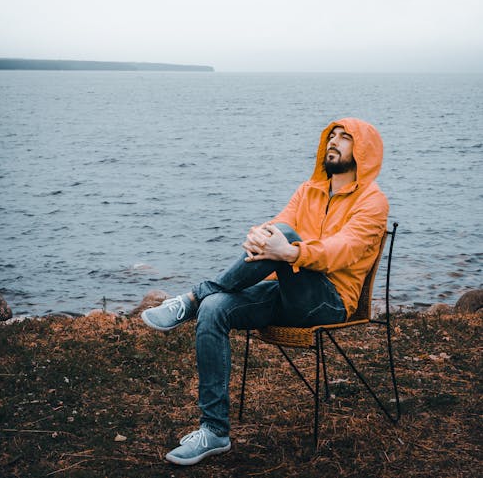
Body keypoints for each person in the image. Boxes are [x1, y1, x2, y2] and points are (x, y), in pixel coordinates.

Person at [141, 117, 389, 466]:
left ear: (363, 150)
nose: (334, 142)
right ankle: (214, 430)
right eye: (331, 136)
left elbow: (342, 249)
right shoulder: (309, 190)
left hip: (328, 302)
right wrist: (260, 235)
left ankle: (193, 297)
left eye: (345, 138)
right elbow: (278, 223)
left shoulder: (373, 202)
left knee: (285, 236)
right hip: (284, 294)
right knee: (215, 309)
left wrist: (290, 251)